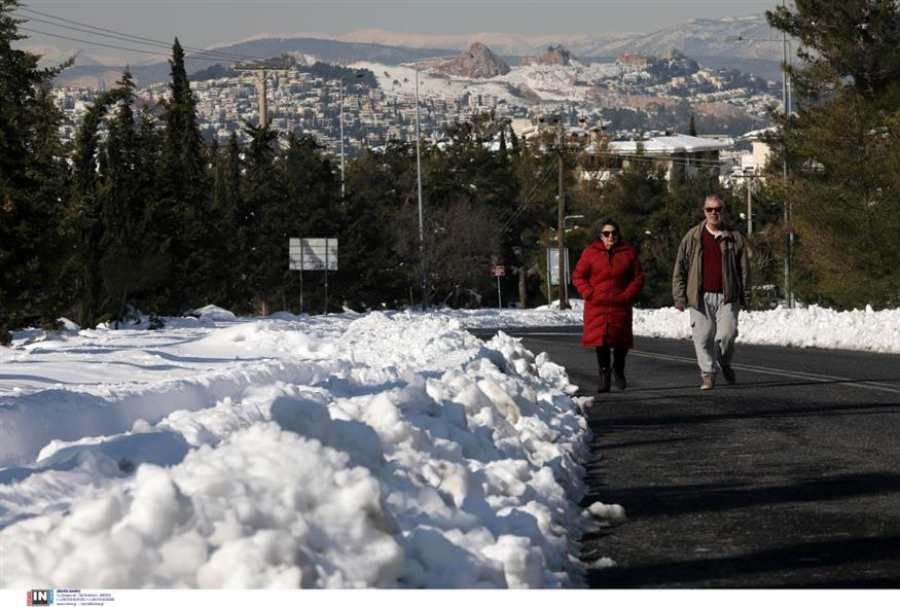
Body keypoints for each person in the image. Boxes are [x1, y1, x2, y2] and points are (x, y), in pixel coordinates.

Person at [672, 194, 751, 390]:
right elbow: (680, 267)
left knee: (727, 334)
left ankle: (723, 362)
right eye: (710, 209)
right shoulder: (693, 237)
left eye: (717, 209)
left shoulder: (735, 237)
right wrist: (679, 296)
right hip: (700, 296)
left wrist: (746, 295)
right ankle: (708, 374)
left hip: (727, 295)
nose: (714, 213)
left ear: (723, 212)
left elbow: (745, 270)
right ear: (704, 212)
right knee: (703, 336)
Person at [573, 218, 645, 393]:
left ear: (618, 235)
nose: (610, 236)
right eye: (606, 233)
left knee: (621, 341)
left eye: (613, 233)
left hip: (620, 305)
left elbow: (638, 277)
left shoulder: (628, 252)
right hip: (597, 305)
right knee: (602, 341)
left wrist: (627, 295)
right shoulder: (590, 253)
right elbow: (578, 276)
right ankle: (604, 375)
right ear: (601, 236)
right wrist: (590, 293)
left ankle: (618, 368)